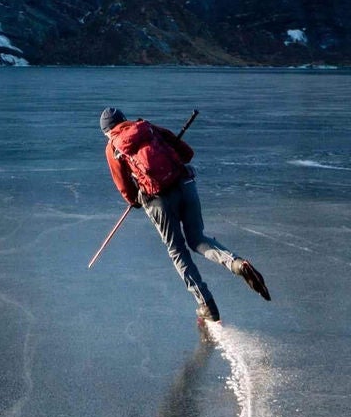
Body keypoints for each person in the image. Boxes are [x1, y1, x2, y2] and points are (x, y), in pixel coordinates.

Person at [100, 106, 270, 327]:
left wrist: (134, 201)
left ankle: (206, 304)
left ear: (107, 131)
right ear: (124, 120)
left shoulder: (113, 147)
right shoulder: (147, 127)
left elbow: (124, 187)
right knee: (197, 239)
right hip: (185, 185)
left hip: (157, 200)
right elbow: (187, 153)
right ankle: (237, 264)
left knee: (177, 251)